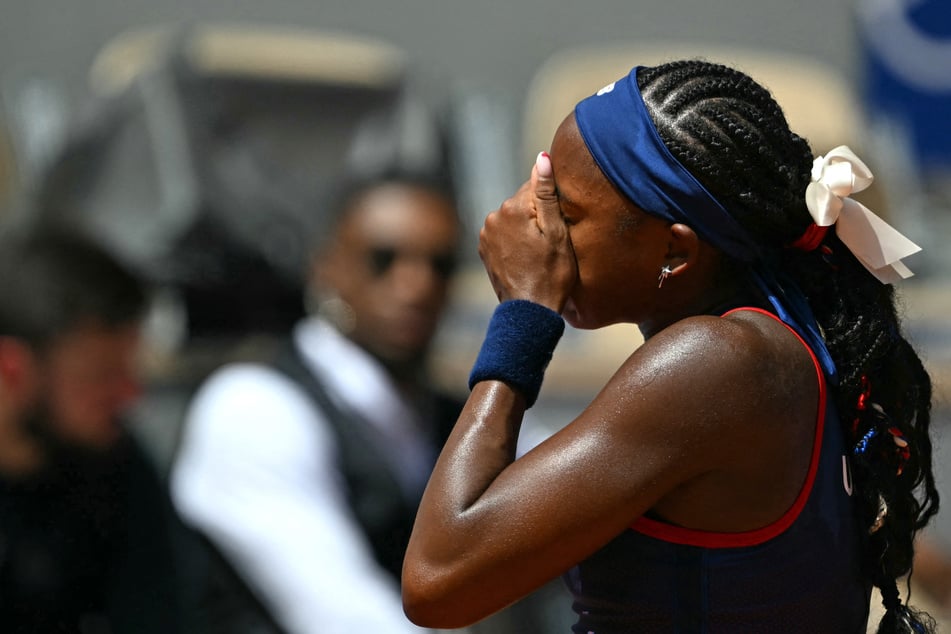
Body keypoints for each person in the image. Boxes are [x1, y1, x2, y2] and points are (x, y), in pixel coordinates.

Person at [401, 60, 941, 633]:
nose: (538, 225)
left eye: (568, 211)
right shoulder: (770, 343)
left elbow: (438, 580)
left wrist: (523, 314)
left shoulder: (713, 362)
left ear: (674, 254)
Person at [171, 169, 465, 633]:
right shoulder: (252, 407)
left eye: (440, 265)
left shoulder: (460, 416)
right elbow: (346, 619)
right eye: (383, 260)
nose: (416, 285)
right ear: (326, 267)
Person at [0, 227, 193, 633]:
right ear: (12, 369)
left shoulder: (115, 465)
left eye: (129, 370)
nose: (128, 393)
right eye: (101, 376)